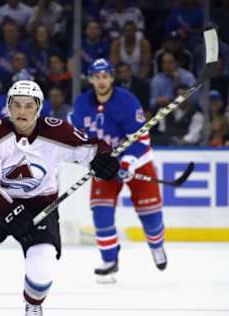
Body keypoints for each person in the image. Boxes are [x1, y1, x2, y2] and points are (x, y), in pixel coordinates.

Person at [0, 80, 119, 316]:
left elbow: (91, 149)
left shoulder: (56, 130)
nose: (22, 111)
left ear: (39, 108)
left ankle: (33, 304)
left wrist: (104, 158)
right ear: (8, 108)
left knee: (42, 269)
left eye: (29, 106)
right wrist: (8, 212)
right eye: (17, 105)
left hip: (40, 205)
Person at [70, 58, 167, 283]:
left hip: (137, 162)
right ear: (91, 79)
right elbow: (77, 140)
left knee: (150, 215)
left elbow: (142, 139)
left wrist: (128, 163)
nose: (101, 81)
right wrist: (92, 161)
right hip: (106, 165)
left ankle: (157, 246)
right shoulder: (82, 104)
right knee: (101, 212)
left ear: (112, 77)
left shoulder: (127, 101)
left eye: (105, 76)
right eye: (97, 76)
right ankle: (109, 261)